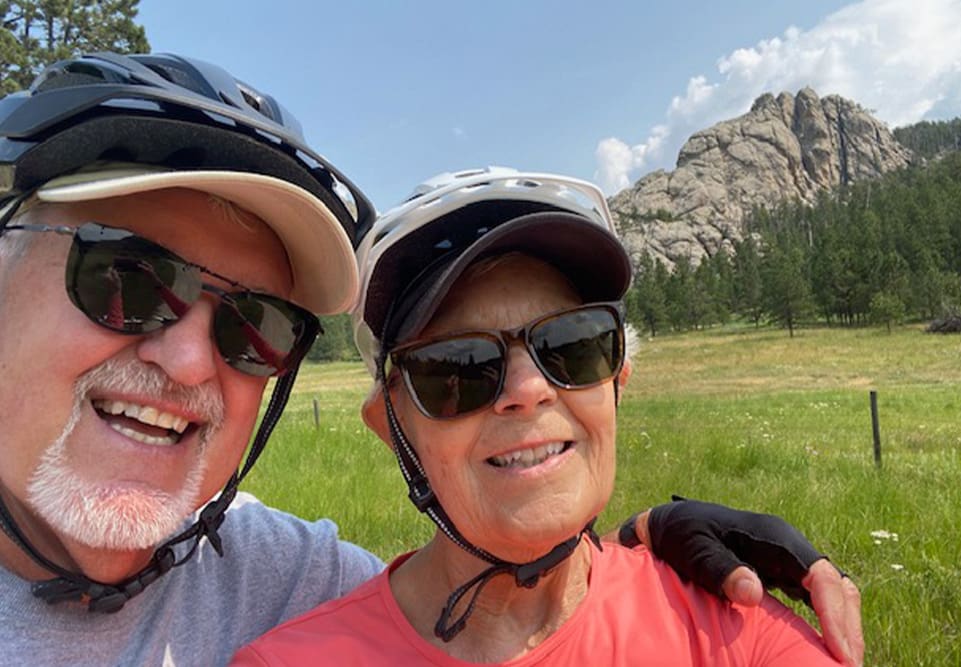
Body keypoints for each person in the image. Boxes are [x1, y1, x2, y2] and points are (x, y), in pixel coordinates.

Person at [0, 53, 859, 667]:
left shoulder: (282, 572)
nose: (190, 359)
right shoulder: (293, 635)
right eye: (124, 276)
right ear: (390, 425)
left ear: (616, 378)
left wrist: (643, 540)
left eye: (255, 323)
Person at [232, 168, 861, 666]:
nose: (529, 390)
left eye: (570, 346)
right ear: (394, 430)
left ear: (617, 384)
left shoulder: (734, 628)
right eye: (457, 367)